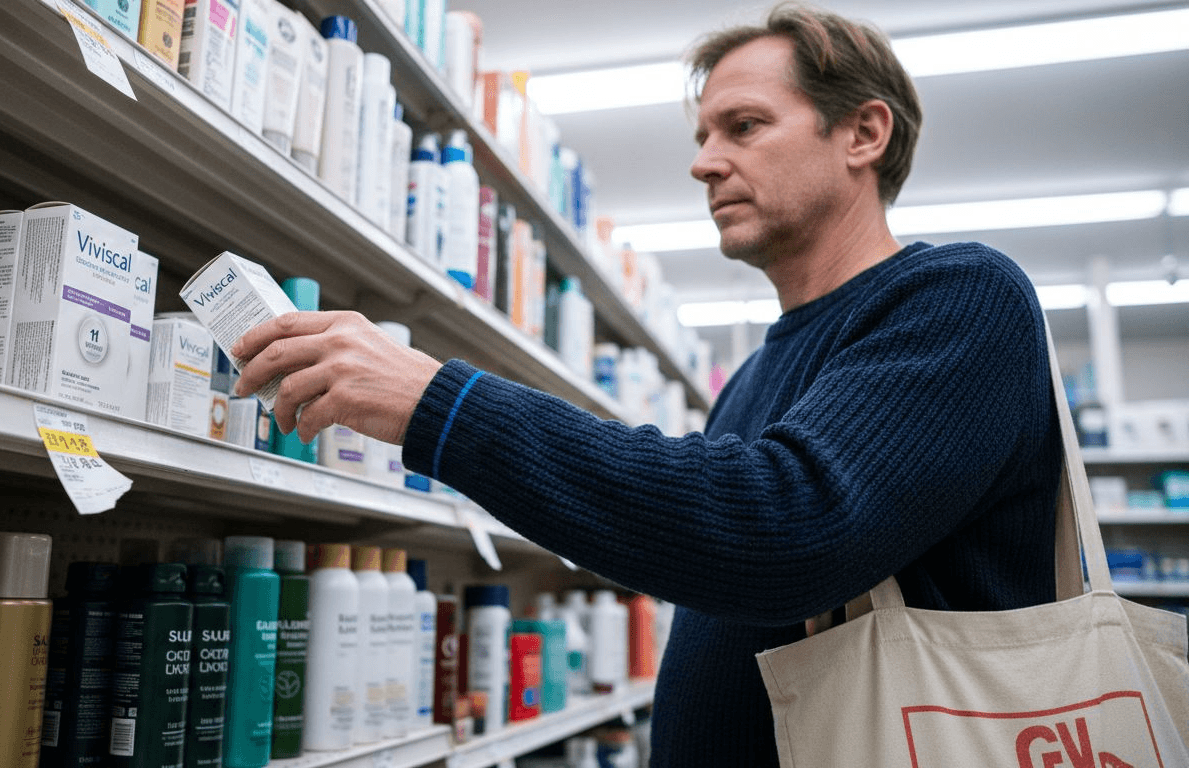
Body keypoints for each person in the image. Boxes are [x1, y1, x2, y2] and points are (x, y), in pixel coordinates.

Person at [232, 4, 1062, 765]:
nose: (704, 164)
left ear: (864, 133)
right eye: (702, 136)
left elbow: (786, 531)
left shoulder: (962, 297)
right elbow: (708, 549)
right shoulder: (756, 374)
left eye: (744, 125)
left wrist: (440, 405)